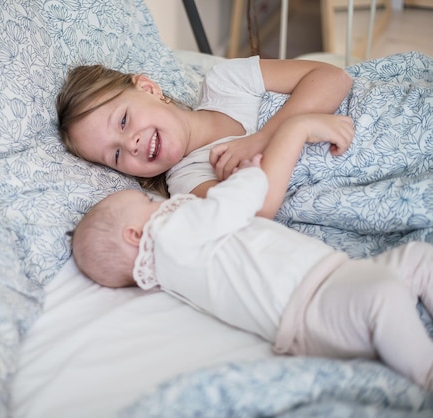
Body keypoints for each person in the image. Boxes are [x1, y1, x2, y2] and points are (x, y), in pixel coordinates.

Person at [69, 152, 433, 393]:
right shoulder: (167, 235)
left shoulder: (175, 261)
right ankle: (426, 374)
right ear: (135, 235)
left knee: (415, 259)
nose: (158, 202)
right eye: (147, 202)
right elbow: (230, 209)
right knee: (384, 294)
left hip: (335, 280)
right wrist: (250, 176)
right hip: (313, 306)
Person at [55, 57, 353, 206]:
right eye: (116, 154)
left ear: (148, 89)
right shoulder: (186, 181)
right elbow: (255, 210)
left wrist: (264, 138)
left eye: (122, 121)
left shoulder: (226, 82)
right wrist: (298, 129)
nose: (130, 143)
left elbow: (334, 77)